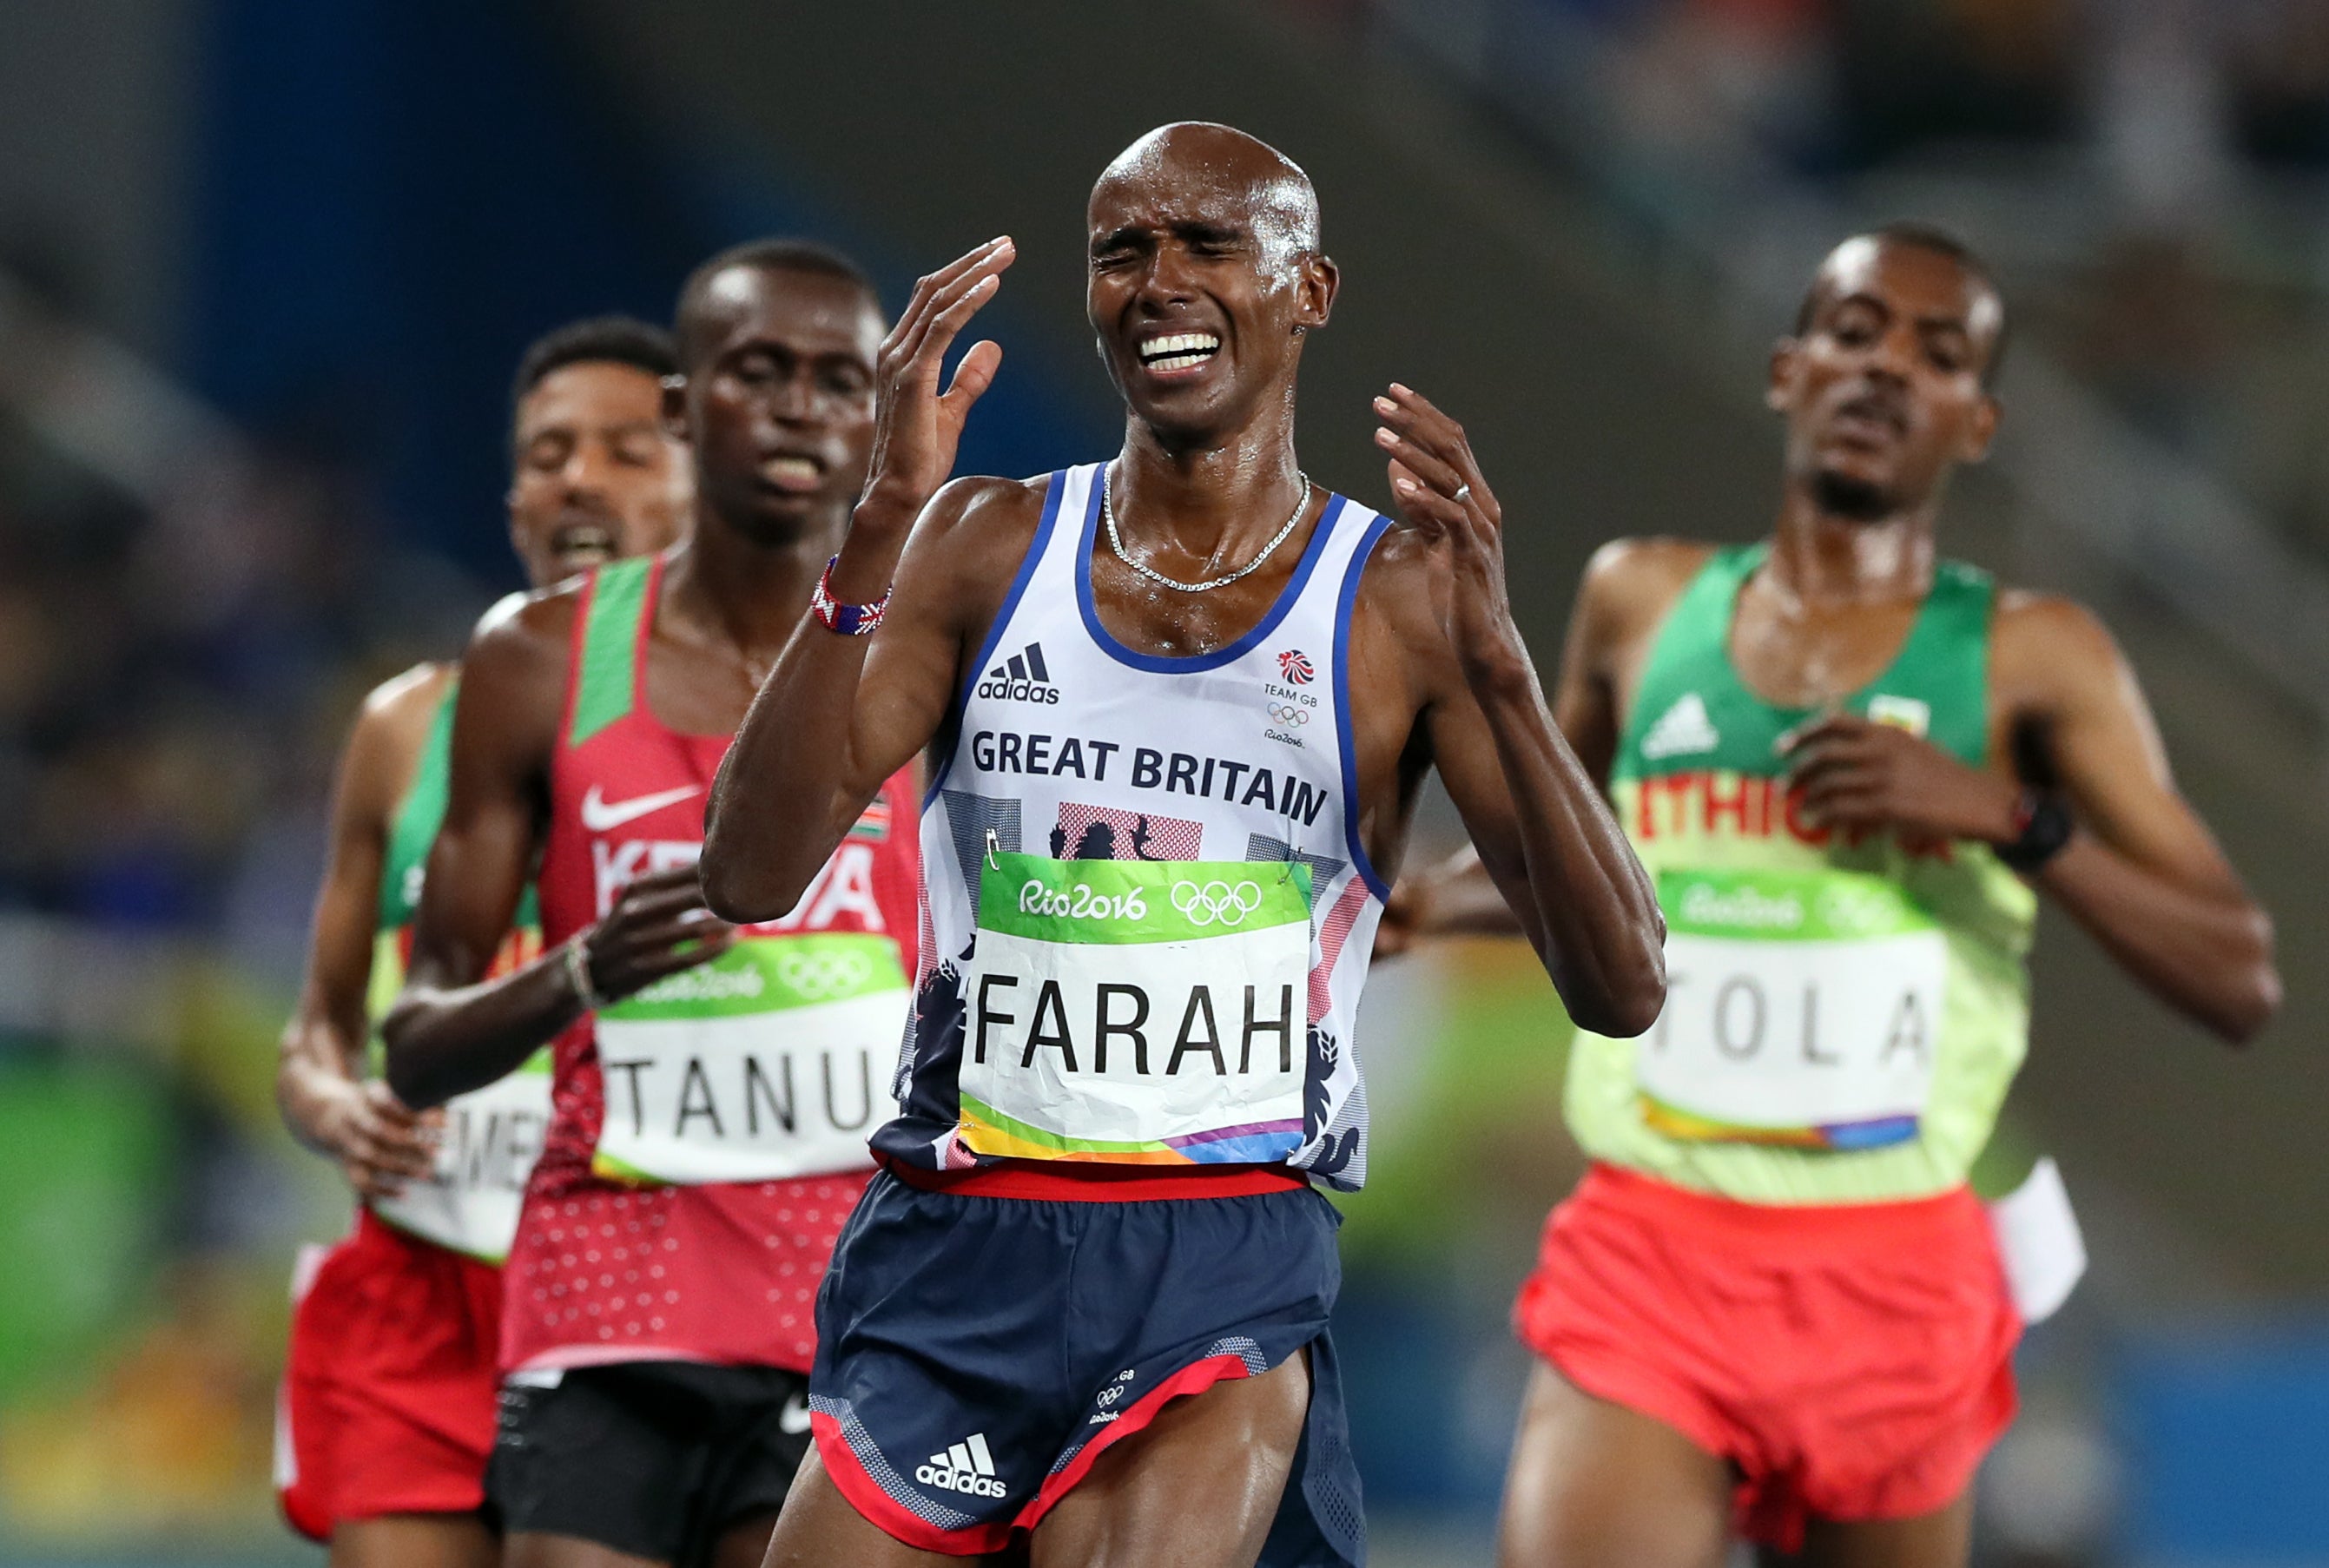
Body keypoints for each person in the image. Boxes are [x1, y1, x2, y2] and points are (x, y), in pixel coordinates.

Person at [698, 122, 1666, 1568]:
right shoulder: (976, 542)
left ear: (1308, 289)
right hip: (955, 1240)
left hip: (1214, 1248)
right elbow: (749, 874)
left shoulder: (1394, 601)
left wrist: (1504, 670)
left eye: (1209, 245)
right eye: (1121, 252)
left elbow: (1623, 986)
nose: (1159, 281)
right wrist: (874, 529)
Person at [1457, 226, 2279, 1568]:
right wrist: (1383, 913)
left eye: (1936, 353)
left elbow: (2237, 974)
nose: (1884, 368)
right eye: (1851, 331)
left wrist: (2001, 815)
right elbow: (1553, 865)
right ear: (1787, 370)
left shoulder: (2034, 661)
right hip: (1652, 1244)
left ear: (1978, 419)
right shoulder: (1638, 599)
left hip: (1892, 1275)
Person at [382, 240, 920, 1568]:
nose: (800, 408)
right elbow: (417, 1045)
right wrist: (576, 971)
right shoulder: (537, 659)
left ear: (875, 417)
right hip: (608, 1298)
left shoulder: (929, 652)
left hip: (854, 1303)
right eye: (758, 372)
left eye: (839, 381)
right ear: (682, 412)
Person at [275, 314, 691, 1567]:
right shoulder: (404, 728)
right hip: (428, 1294)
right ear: (511, 493)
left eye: (625, 448)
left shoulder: (765, 727)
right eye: (548, 452)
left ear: (700, 477)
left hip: (655, 1300)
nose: (578, 478)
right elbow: (319, 1030)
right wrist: (334, 1104)